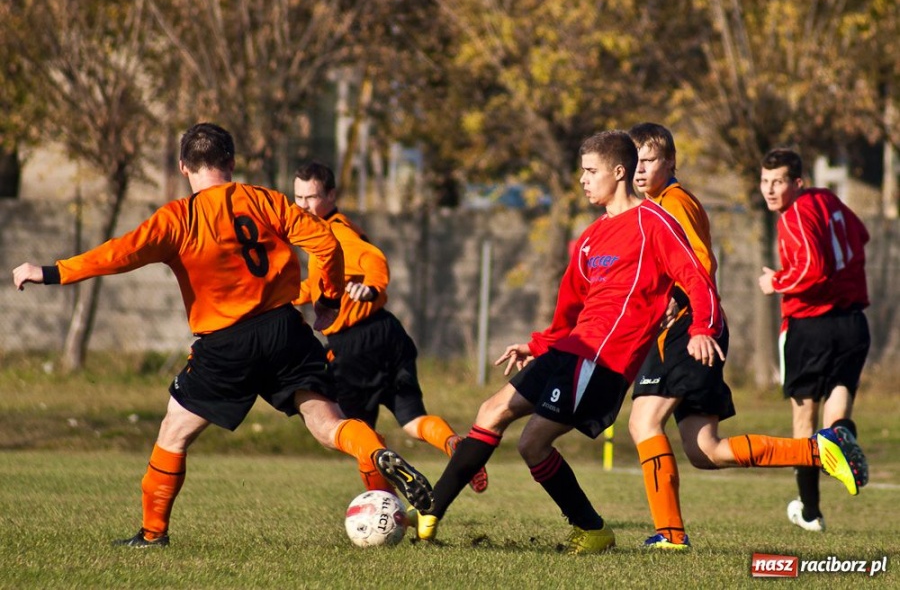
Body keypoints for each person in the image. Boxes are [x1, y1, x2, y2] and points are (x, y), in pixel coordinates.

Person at [11, 122, 433, 548]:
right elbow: (326, 242)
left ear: (182, 167)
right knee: (329, 424)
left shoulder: (178, 218)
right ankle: (375, 453)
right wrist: (327, 297)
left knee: (174, 433)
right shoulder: (265, 200)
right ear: (231, 162)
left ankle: (153, 534)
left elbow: (118, 254)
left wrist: (50, 272)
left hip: (226, 344)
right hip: (286, 330)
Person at [416, 130, 729, 553]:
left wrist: (702, 329)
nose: (582, 180)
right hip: (572, 349)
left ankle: (592, 529)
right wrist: (539, 344)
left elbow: (697, 275)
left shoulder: (655, 223)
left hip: (603, 361)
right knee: (490, 411)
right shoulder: (590, 237)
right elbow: (570, 308)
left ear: (619, 172)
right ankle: (430, 514)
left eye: (590, 171)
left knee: (532, 443)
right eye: (581, 171)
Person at [626, 123, 868, 550]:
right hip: (684, 328)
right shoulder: (651, 205)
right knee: (706, 451)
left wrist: (695, 320)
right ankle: (821, 451)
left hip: (691, 327)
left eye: (648, 160)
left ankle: (670, 535)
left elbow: (700, 265)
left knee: (644, 421)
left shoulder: (674, 203)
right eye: (634, 161)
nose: (639, 169)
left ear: (670, 163)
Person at [292, 161, 487, 495]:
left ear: (331, 195)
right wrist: (283, 297)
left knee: (358, 434)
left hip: (354, 345)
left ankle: (386, 504)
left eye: (311, 197)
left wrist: (371, 287)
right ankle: (455, 444)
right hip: (389, 333)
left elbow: (374, 261)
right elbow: (318, 285)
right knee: (413, 421)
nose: (303, 206)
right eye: (298, 197)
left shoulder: (335, 232)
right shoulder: (334, 228)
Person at [758, 147, 871, 532]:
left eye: (779, 182)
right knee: (837, 410)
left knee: (803, 421)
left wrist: (776, 281)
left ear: (797, 183)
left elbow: (812, 269)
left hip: (811, 326)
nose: (770, 190)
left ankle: (810, 511)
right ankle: (842, 437)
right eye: (765, 181)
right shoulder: (827, 200)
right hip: (853, 322)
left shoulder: (793, 216)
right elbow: (862, 234)